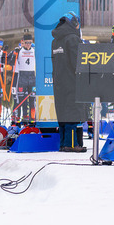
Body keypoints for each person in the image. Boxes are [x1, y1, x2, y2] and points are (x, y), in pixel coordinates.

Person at [51, 12, 87, 151]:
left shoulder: (55, 41)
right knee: (72, 111)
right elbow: (78, 62)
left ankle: (63, 143)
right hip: (72, 81)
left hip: (59, 82)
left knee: (62, 111)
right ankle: (71, 144)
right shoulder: (72, 39)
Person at [7, 32, 37, 126]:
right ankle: (19, 120)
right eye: (26, 42)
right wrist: (14, 54)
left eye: (30, 42)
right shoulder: (19, 51)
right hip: (22, 77)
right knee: (21, 100)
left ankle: (32, 121)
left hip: (32, 77)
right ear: (23, 42)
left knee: (32, 101)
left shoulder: (35, 51)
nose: (28, 45)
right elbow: (11, 62)